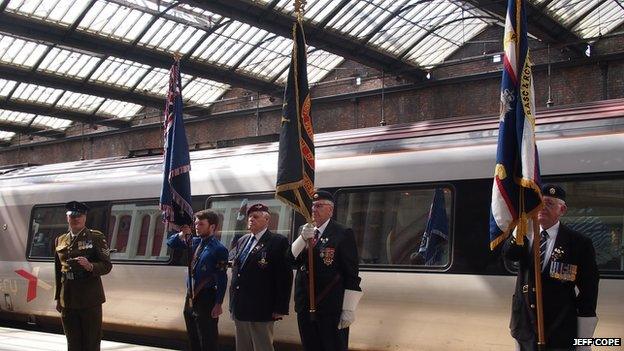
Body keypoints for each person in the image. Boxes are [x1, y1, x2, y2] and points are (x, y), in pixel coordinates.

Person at [503, 184, 599, 351]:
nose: (542, 208)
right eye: (539, 203)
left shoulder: (579, 243)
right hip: (525, 324)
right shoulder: (525, 235)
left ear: (562, 210)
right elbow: (509, 255)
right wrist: (518, 231)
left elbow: (589, 289)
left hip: (561, 327)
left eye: (549, 203)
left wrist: (583, 338)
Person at [289, 190, 363, 351]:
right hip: (306, 304)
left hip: (330, 306)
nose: (314, 209)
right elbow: (290, 259)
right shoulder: (305, 229)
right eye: (313, 206)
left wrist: (349, 308)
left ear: (330, 210)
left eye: (319, 206)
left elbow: (351, 273)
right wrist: (302, 239)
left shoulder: (342, 233)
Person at [229, 203, 293, 351]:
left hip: (262, 306)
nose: (251, 219)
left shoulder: (277, 241)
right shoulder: (242, 240)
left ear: (267, 220)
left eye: (256, 217)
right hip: (240, 305)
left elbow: (284, 276)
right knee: (243, 346)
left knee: (262, 345)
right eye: (250, 216)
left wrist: (280, 307)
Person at [54, 201, 112, 351]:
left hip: (90, 299)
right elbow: (58, 271)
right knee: (72, 343)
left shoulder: (95, 237)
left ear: (85, 217)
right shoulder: (60, 240)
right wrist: (58, 298)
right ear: (67, 218)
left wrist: (91, 266)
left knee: (91, 342)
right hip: (68, 298)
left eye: (79, 215)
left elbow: (107, 265)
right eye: (72, 216)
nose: (76, 218)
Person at [167, 209, 228, 351]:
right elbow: (171, 243)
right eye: (195, 224)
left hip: (206, 297)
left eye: (201, 224)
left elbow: (221, 278)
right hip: (191, 296)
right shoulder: (193, 242)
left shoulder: (219, 249)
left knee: (207, 338)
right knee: (192, 337)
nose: (196, 227)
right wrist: (182, 234)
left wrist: (218, 303)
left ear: (212, 227)